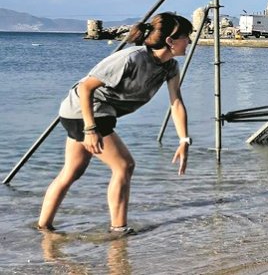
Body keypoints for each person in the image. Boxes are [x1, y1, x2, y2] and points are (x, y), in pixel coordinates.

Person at [38, 12, 194, 234]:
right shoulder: (131, 58)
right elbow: (85, 87)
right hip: (85, 112)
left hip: (94, 114)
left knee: (72, 171)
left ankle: (43, 228)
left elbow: (176, 102)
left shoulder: (169, 67)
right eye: (186, 36)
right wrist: (90, 129)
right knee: (124, 165)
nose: (189, 40)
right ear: (170, 41)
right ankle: (119, 230)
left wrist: (183, 140)